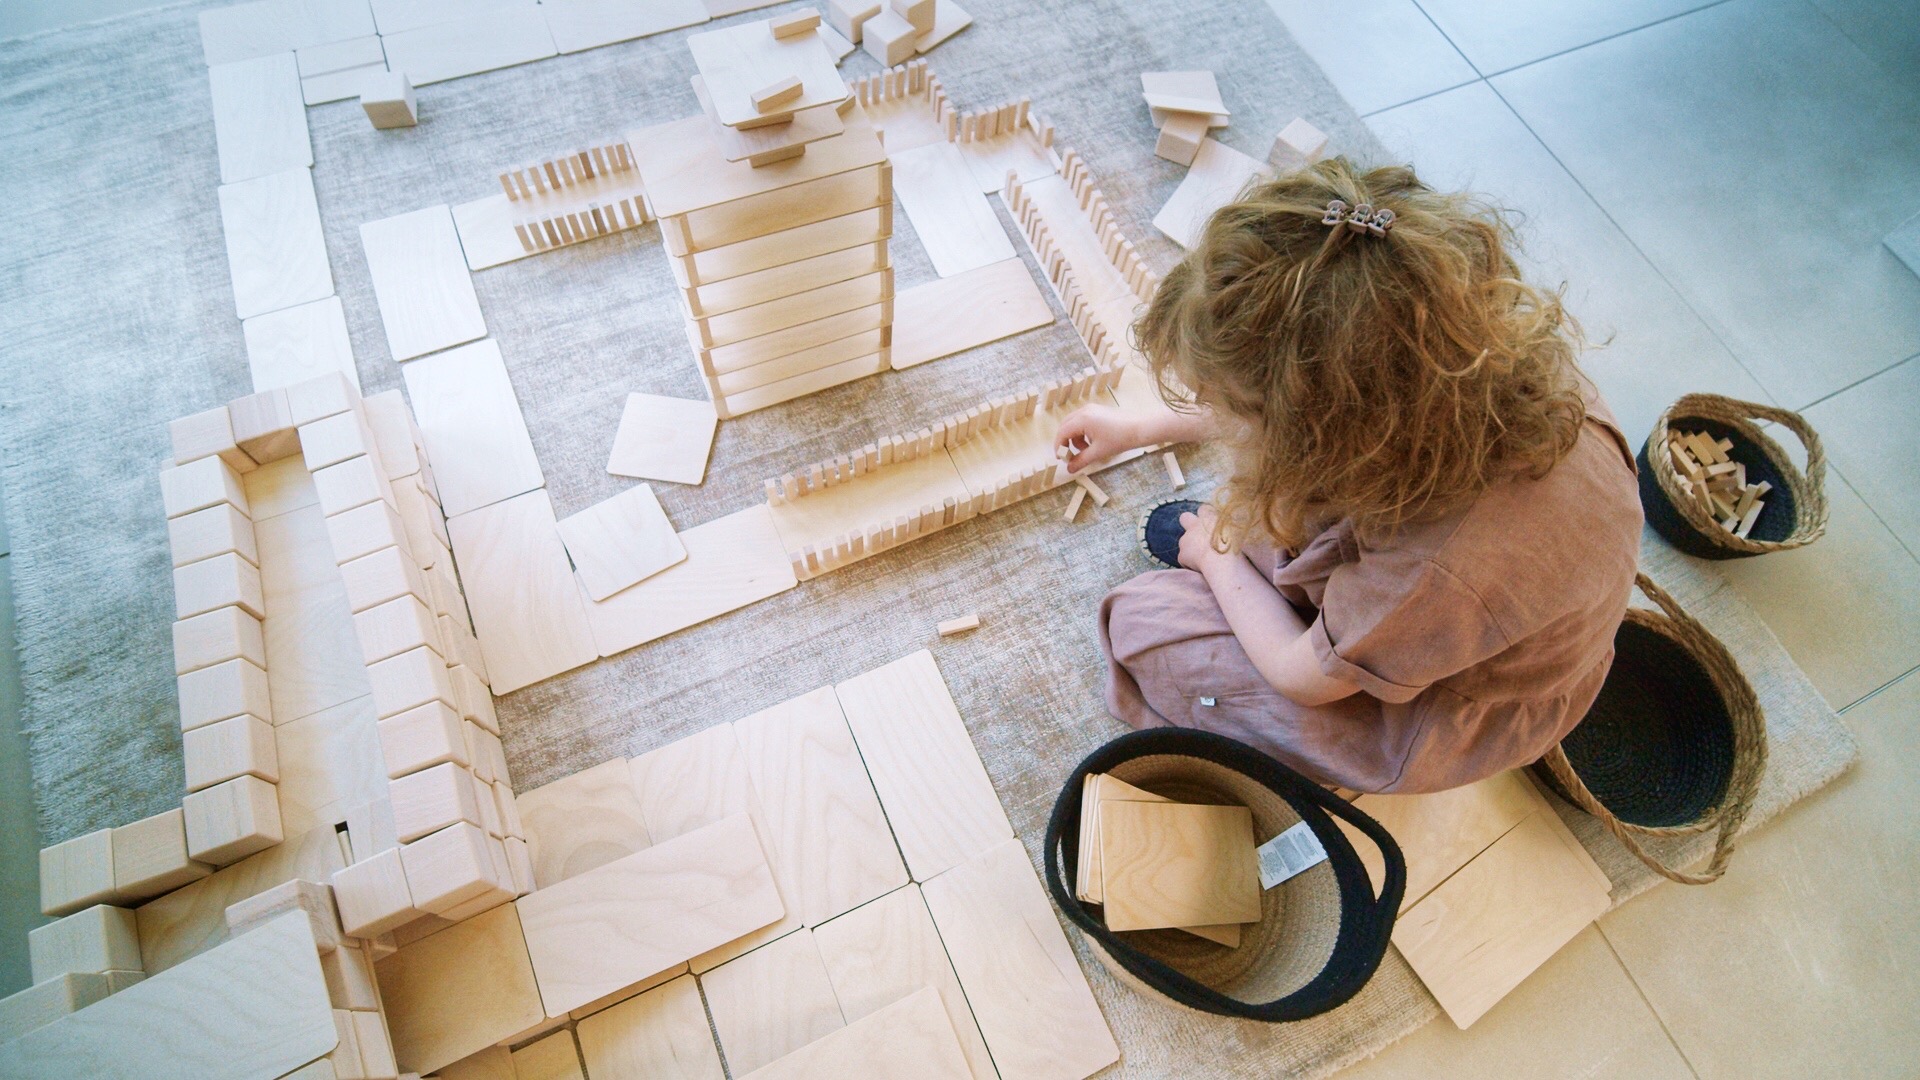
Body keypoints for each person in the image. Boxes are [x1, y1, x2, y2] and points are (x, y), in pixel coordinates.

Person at [1054, 159, 1643, 794]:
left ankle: (1338, 699)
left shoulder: (1435, 569)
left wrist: (1215, 560)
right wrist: (1143, 427)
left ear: (1325, 435)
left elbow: (1299, 679)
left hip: (1443, 708)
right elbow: (1292, 405)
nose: (1226, 419)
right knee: (1255, 515)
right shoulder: (1482, 371)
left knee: (1144, 623)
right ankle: (1297, 597)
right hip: (1438, 586)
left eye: (1231, 407)